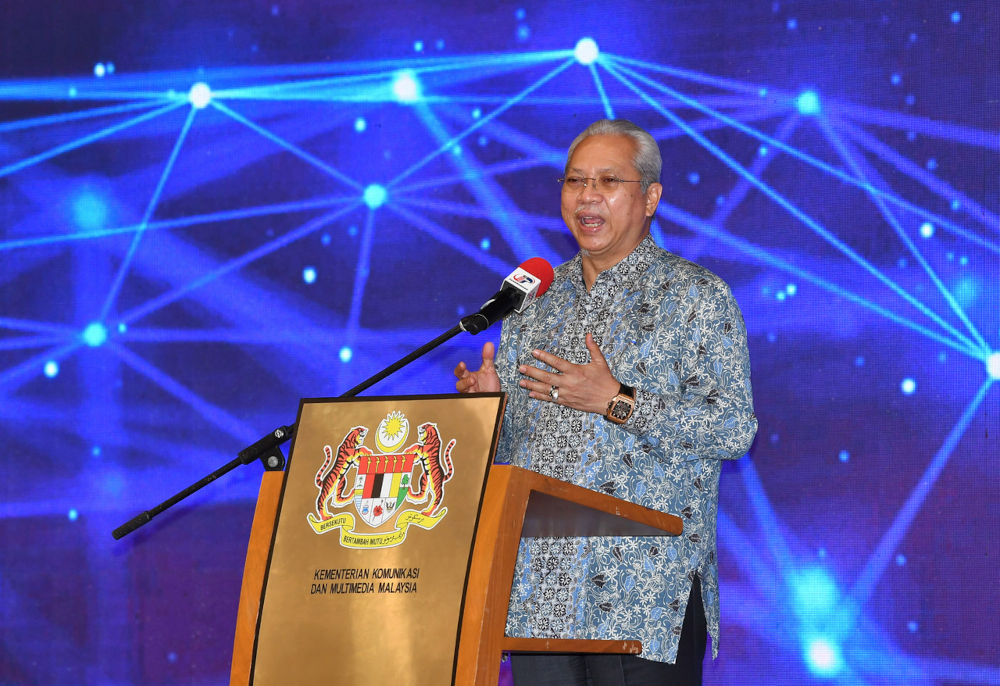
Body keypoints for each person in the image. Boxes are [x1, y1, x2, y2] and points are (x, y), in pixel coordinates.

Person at [454, 119, 757, 686]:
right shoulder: (531, 305)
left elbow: (733, 429)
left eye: (608, 180)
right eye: (575, 181)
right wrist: (489, 415)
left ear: (650, 198)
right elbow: (514, 457)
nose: (587, 196)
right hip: (539, 592)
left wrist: (616, 400)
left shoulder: (697, 297)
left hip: (643, 591)